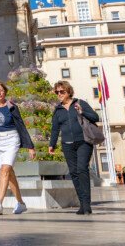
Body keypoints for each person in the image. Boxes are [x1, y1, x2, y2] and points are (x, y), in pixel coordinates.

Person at [0, 80, 34, 215]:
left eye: (1, 90)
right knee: (9, 173)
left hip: (11, 139)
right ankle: (21, 203)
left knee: (4, 170)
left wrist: (30, 146)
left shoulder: (12, 107)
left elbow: (21, 125)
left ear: (5, 91)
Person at [49, 80, 99, 215]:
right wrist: (51, 145)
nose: (59, 94)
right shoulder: (58, 110)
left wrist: (82, 112)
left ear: (68, 91)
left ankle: (87, 204)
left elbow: (96, 117)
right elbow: (55, 129)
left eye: (62, 91)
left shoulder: (80, 103)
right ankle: (82, 204)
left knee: (82, 169)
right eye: (57, 92)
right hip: (67, 145)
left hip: (83, 141)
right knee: (74, 173)